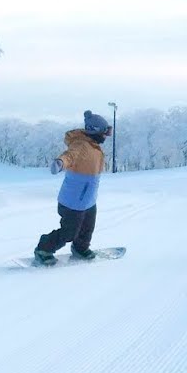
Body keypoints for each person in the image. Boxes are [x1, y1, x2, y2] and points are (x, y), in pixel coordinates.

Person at [34, 110, 111, 265]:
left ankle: (80, 248)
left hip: (88, 199)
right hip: (73, 200)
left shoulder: (93, 145)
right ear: (95, 132)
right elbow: (70, 155)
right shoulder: (81, 145)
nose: (106, 136)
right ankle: (44, 248)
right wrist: (60, 163)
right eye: (105, 132)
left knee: (87, 228)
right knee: (69, 232)